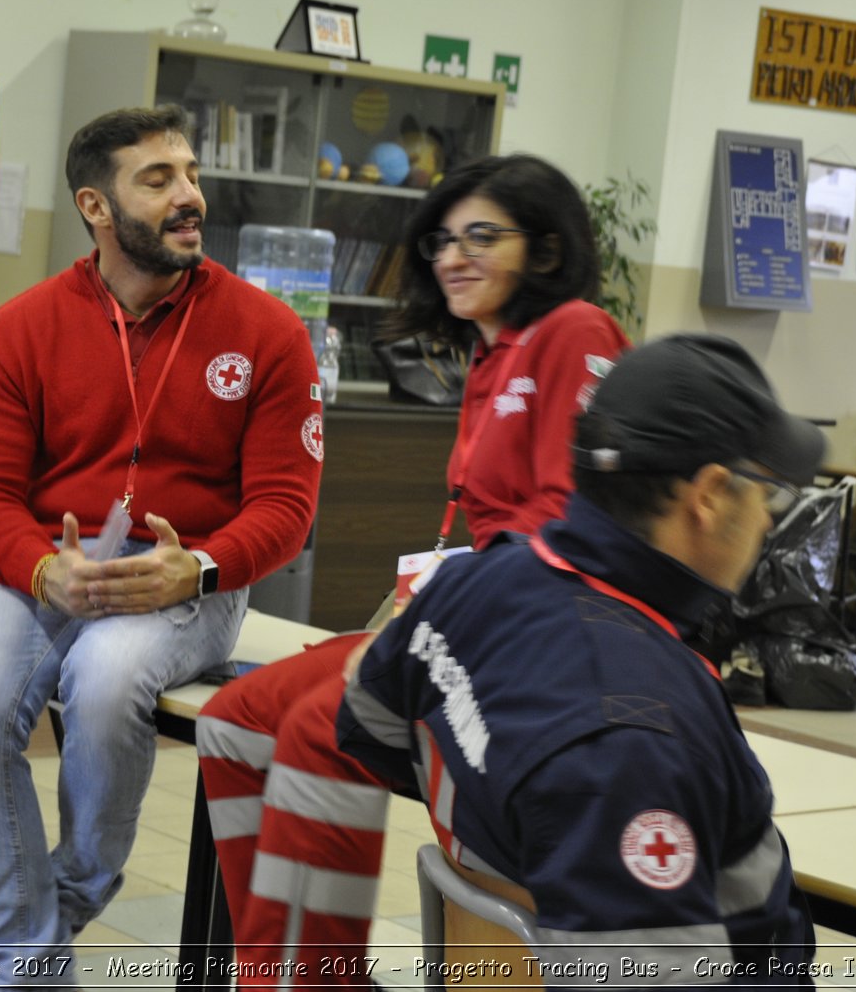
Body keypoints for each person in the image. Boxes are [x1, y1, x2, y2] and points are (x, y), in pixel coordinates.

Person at [194, 155, 629, 984]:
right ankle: (275, 967)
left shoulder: (575, 332)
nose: (453, 256)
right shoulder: (490, 353)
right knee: (236, 717)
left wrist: (435, 616)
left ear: (543, 249)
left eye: (482, 236)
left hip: (538, 643)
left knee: (326, 732)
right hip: (470, 620)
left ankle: (315, 979)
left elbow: (570, 527)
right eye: (443, 239)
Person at [0, 104, 322, 985]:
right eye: (158, 180)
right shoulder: (22, 326)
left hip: (190, 577)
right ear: (96, 206)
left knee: (106, 685)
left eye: (189, 173)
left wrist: (204, 565)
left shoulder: (268, 332)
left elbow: (286, 506)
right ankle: (30, 963)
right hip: (49, 565)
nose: (189, 195)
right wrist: (40, 566)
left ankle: (34, 929)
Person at [338, 333, 825, 987]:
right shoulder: (637, 740)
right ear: (708, 495)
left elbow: (365, 724)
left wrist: (505, 824)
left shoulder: (465, 585)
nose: (768, 522)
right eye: (768, 494)